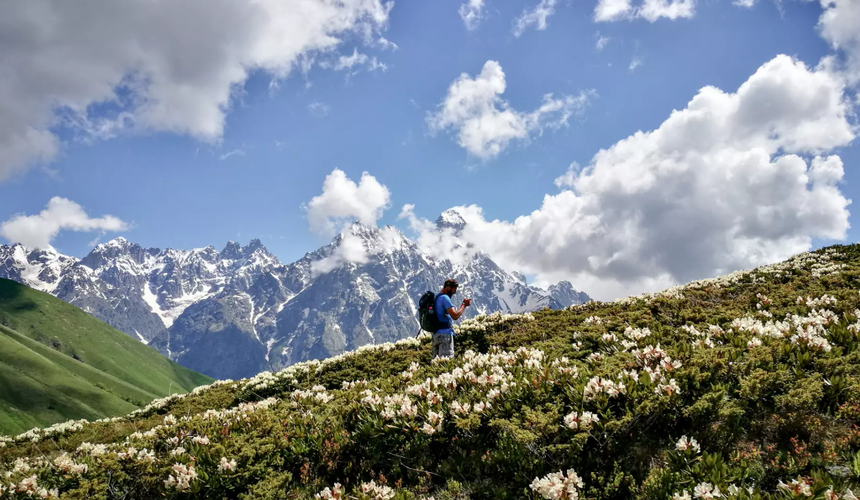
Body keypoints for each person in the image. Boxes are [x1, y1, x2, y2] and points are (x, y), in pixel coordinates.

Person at [432, 278, 471, 359]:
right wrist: (464, 305)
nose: (454, 292)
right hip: (445, 335)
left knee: (436, 364)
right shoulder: (445, 298)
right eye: (454, 290)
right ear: (448, 288)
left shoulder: (436, 298)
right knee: (446, 362)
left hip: (435, 335)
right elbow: (455, 315)